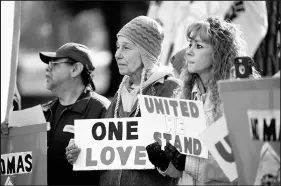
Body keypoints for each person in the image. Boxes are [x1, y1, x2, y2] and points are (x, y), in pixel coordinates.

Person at [66, 16, 181, 185]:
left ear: (146, 52)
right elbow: (105, 150)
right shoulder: (120, 93)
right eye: (118, 47)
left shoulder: (171, 89)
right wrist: (80, 151)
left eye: (126, 48)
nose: (117, 54)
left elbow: (179, 159)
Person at [146, 17, 261, 185]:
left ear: (219, 53)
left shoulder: (236, 96)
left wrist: (187, 162)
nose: (188, 52)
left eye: (199, 46)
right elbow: (182, 170)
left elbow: (239, 166)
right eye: (190, 44)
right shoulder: (186, 94)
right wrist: (166, 164)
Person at [39, 42, 110, 185]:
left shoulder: (103, 110)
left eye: (54, 64)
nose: (47, 69)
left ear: (75, 69)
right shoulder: (43, 112)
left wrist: (87, 154)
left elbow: (115, 163)